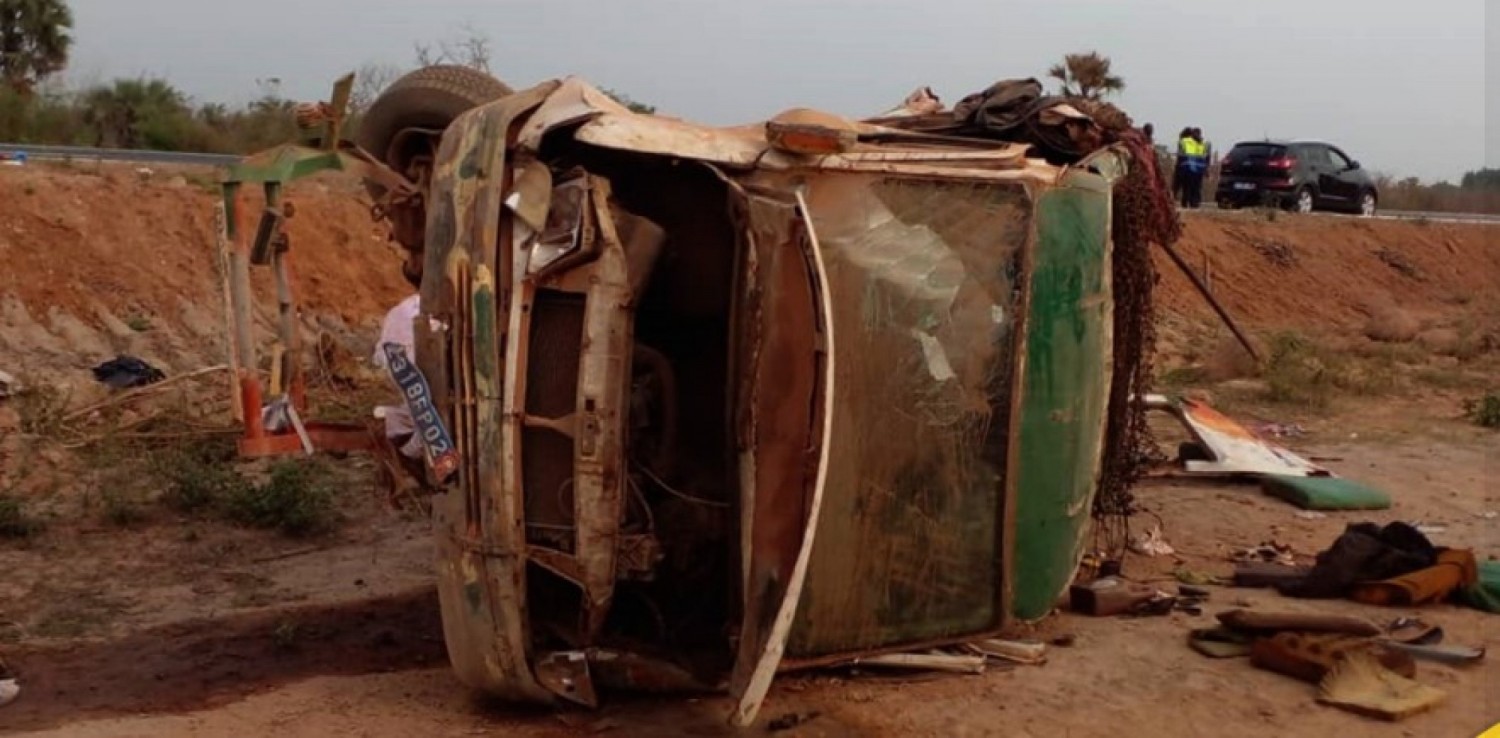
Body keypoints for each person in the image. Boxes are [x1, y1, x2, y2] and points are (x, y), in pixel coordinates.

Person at [1179, 127, 1209, 208]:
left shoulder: (1202, 144)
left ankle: (1194, 203)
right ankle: (1185, 203)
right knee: (1187, 187)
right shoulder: (1186, 142)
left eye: (1199, 134)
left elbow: (1205, 158)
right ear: (1192, 134)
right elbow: (1181, 155)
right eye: (1196, 133)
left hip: (1198, 170)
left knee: (1197, 188)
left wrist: (1206, 170)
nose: (1197, 135)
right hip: (1188, 169)